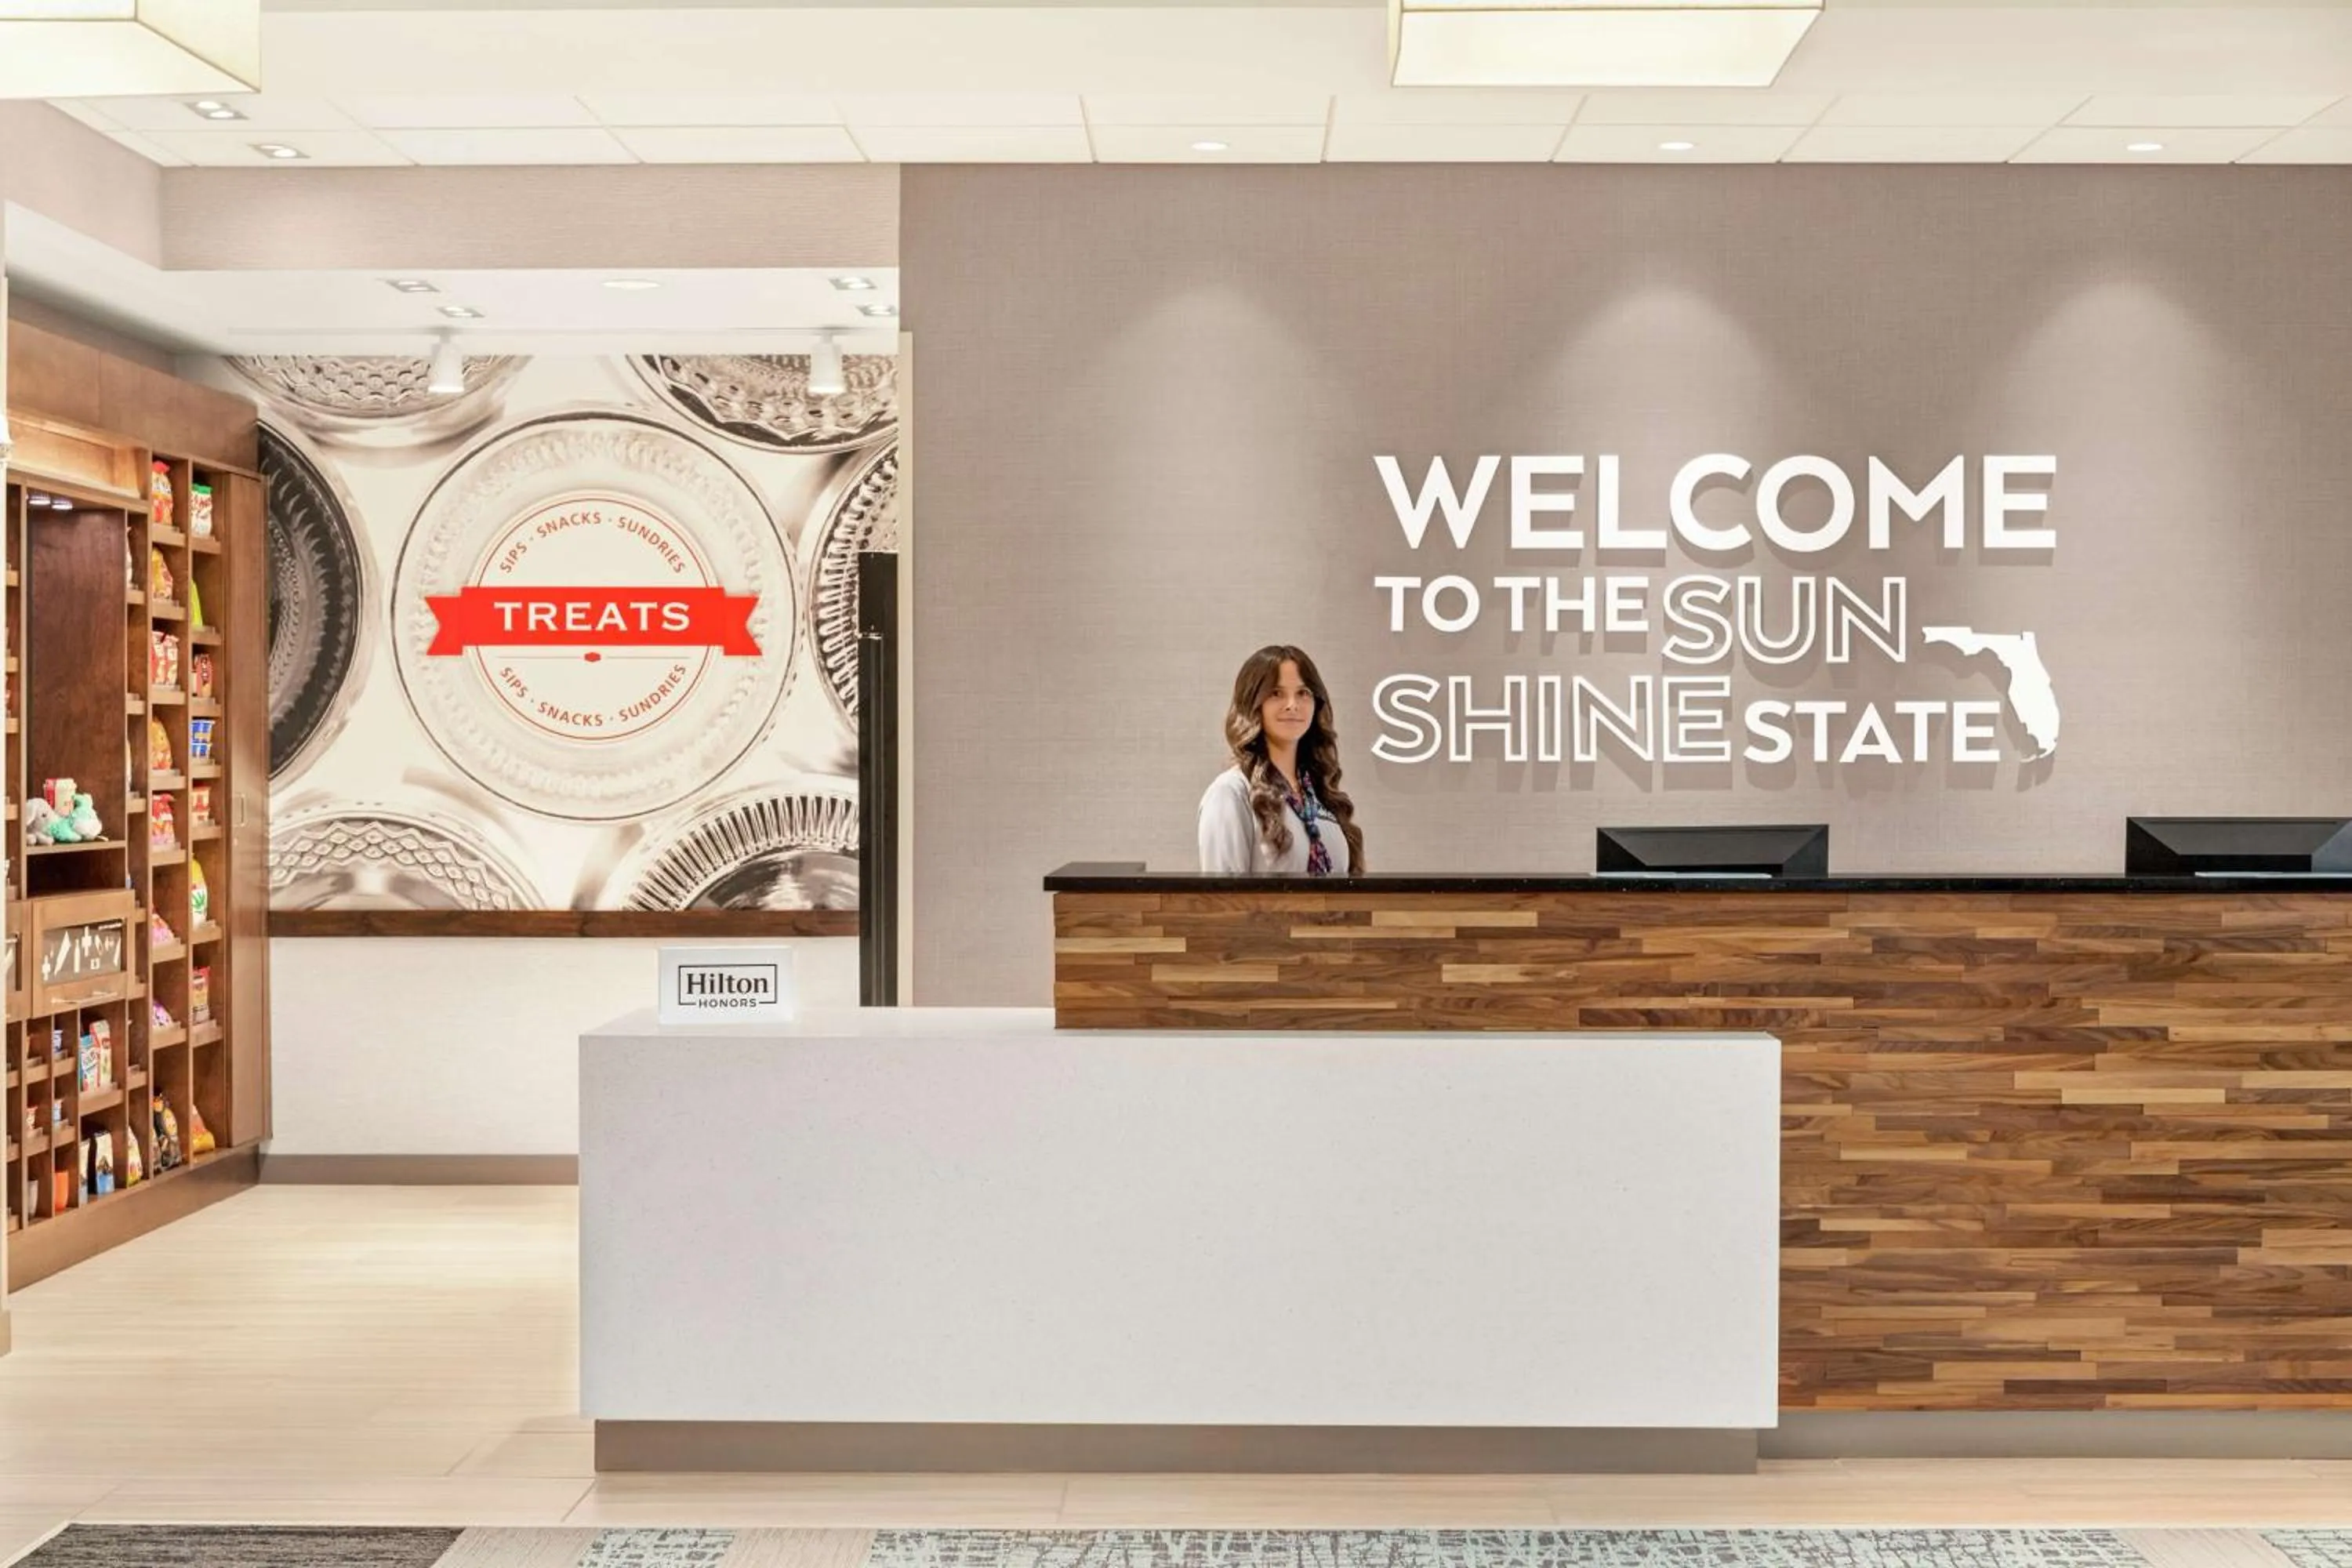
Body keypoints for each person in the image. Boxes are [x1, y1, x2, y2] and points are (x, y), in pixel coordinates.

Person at [1198, 644, 1366, 876]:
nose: (1292, 705)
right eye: (1276, 693)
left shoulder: (1319, 794)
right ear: (1253, 703)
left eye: (1303, 693)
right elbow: (1224, 905)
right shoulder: (1231, 793)